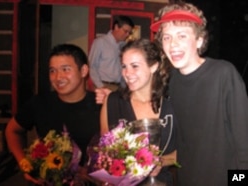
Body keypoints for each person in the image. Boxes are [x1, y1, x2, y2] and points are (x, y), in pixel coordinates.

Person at [149, 2, 248, 186]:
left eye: (182, 36)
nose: (173, 44)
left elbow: (244, 144)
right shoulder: (174, 81)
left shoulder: (223, 74)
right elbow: (186, 143)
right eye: (167, 37)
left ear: (199, 41)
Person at [5, 44, 101, 185]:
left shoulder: (101, 105)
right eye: (52, 71)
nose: (58, 77)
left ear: (83, 71)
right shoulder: (40, 103)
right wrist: (24, 163)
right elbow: (12, 130)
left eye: (65, 69)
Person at [100, 38, 177, 186]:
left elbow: (189, 149)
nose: (127, 73)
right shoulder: (112, 102)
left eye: (135, 66)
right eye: (124, 66)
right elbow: (105, 153)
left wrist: (162, 161)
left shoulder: (172, 103)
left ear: (153, 66)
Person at [88, 15, 134, 91]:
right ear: (116, 27)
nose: (127, 35)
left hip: (119, 88)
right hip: (104, 85)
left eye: (129, 33)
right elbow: (92, 66)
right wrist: (101, 86)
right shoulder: (100, 42)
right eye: (125, 31)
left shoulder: (124, 46)